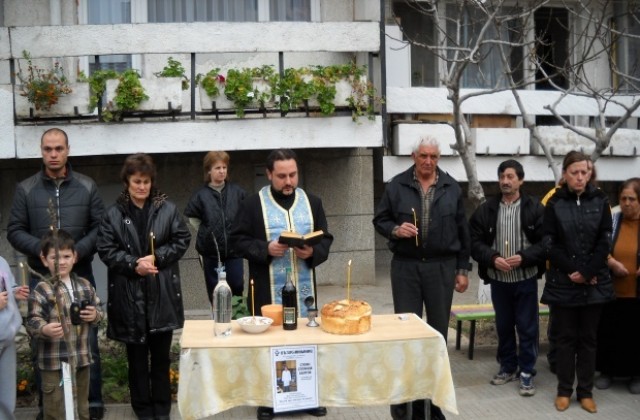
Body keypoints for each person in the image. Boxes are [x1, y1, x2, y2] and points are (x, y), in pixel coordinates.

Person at [6, 127, 105, 420]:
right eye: (48, 149)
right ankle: (49, 409)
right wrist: (46, 253)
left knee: (86, 338)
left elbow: (101, 228)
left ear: (67, 150)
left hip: (80, 276)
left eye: (58, 148)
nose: (53, 154)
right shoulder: (26, 189)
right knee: (46, 341)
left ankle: (92, 405)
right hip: (41, 279)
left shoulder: (87, 186)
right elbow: (14, 230)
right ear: (41, 151)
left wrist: (75, 253)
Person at [373, 135, 471, 420]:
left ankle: (434, 400)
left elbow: (462, 232)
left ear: (438, 158)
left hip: (442, 267)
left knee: (438, 335)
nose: (428, 161)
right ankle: (407, 400)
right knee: (407, 334)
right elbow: (380, 219)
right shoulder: (397, 185)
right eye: (423, 156)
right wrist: (395, 229)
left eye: (434, 157)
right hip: (406, 267)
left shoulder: (451, 187)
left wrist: (462, 270)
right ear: (413, 156)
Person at [231, 148, 333, 420]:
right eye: (282, 176)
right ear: (269, 175)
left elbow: (326, 238)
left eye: (293, 175)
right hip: (267, 287)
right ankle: (269, 400)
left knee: (305, 338)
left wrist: (313, 252)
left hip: (304, 289)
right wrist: (265, 248)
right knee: (271, 341)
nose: (288, 182)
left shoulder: (312, 201)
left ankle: (307, 397)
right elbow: (237, 240)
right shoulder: (253, 204)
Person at [97, 153, 191, 420]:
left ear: (152, 182)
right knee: (137, 362)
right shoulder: (113, 214)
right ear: (127, 181)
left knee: (161, 360)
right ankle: (143, 411)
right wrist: (132, 264)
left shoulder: (168, 209)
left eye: (146, 181)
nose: (141, 186)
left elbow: (182, 238)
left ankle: (162, 411)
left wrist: (158, 257)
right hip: (129, 299)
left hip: (161, 296)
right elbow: (106, 249)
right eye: (137, 181)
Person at [541, 150, 614, 414]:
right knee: (565, 339)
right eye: (575, 173)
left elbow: (605, 240)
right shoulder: (555, 203)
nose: (580, 177)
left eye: (585, 172)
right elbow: (549, 243)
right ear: (565, 174)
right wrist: (575, 270)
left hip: (594, 283)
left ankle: (585, 392)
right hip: (564, 282)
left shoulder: (601, 200)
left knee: (588, 339)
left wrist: (589, 270)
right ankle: (563, 391)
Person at [469, 160, 545, 396]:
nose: (505, 181)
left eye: (511, 176)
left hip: (526, 278)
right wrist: (492, 258)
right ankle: (508, 367)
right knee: (503, 326)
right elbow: (474, 242)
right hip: (499, 280)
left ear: (520, 180)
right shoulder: (487, 209)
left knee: (527, 327)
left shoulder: (535, 207)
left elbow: (547, 242)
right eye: (502, 176)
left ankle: (527, 372)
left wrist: (524, 257)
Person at [27, 230, 102, 420]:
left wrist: (94, 315)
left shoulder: (85, 285)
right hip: (53, 361)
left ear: (75, 257)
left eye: (66, 256)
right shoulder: (42, 289)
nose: (61, 262)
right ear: (44, 260)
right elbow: (33, 320)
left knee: (82, 407)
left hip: (81, 359)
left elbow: (99, 313)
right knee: (55, 408)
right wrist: (43, 329)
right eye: (55, 257)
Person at [595, 177, 640, 393]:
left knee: (635, 335)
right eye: (623, 198)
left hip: (636, 292)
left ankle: (636, 375)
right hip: (612, 289)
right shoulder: (613, 219)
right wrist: (611, 262)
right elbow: (601, 245)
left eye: (632, 198)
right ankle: (607, 371)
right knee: (609, 332)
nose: (627, 203)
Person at [184, 151, 247, 302]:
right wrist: (205, 232)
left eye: (224, 167)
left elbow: (246, 214)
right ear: (209, 171)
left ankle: (237, 315)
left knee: (237, 285)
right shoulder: (201, 195)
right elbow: (192, 217)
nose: (222, 171)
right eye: (217, 168)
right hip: (211, 252)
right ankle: (218, 321)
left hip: (234, 250)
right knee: (215, 290)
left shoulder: (237, 192)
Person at [0, 254, 30, 420]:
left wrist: (15, 293)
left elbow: (8, 287)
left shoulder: (2, 261)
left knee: (6, 393)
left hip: (7, 336)